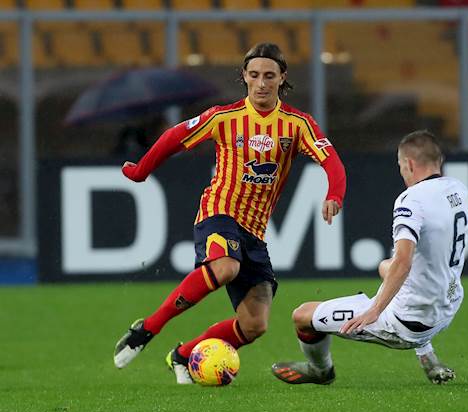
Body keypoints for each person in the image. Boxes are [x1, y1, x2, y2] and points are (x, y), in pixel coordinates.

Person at [113, 42, 346, 384]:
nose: (262, 83)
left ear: (282, 78)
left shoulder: (298, 124)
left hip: (255, 231)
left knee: (254, 325)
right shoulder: (223, 117)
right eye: (254, 75)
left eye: (269, 76)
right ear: (244, 77)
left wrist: (334, 193)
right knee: (225, 267)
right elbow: (175, 137)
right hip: (219, 212)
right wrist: (140, 171)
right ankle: (147, 328)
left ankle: (182, 355)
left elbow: (331, 161)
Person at [272, 130, 468, 385]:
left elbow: (404, 262)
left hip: (406, 323)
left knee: (302, 316)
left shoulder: (411, 200)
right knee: (386, 266)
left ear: (409, 164)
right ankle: (428, 358)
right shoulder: (457, 188)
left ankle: (321, 371)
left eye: (400, 165)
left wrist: (374, 311)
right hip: (448, 307)